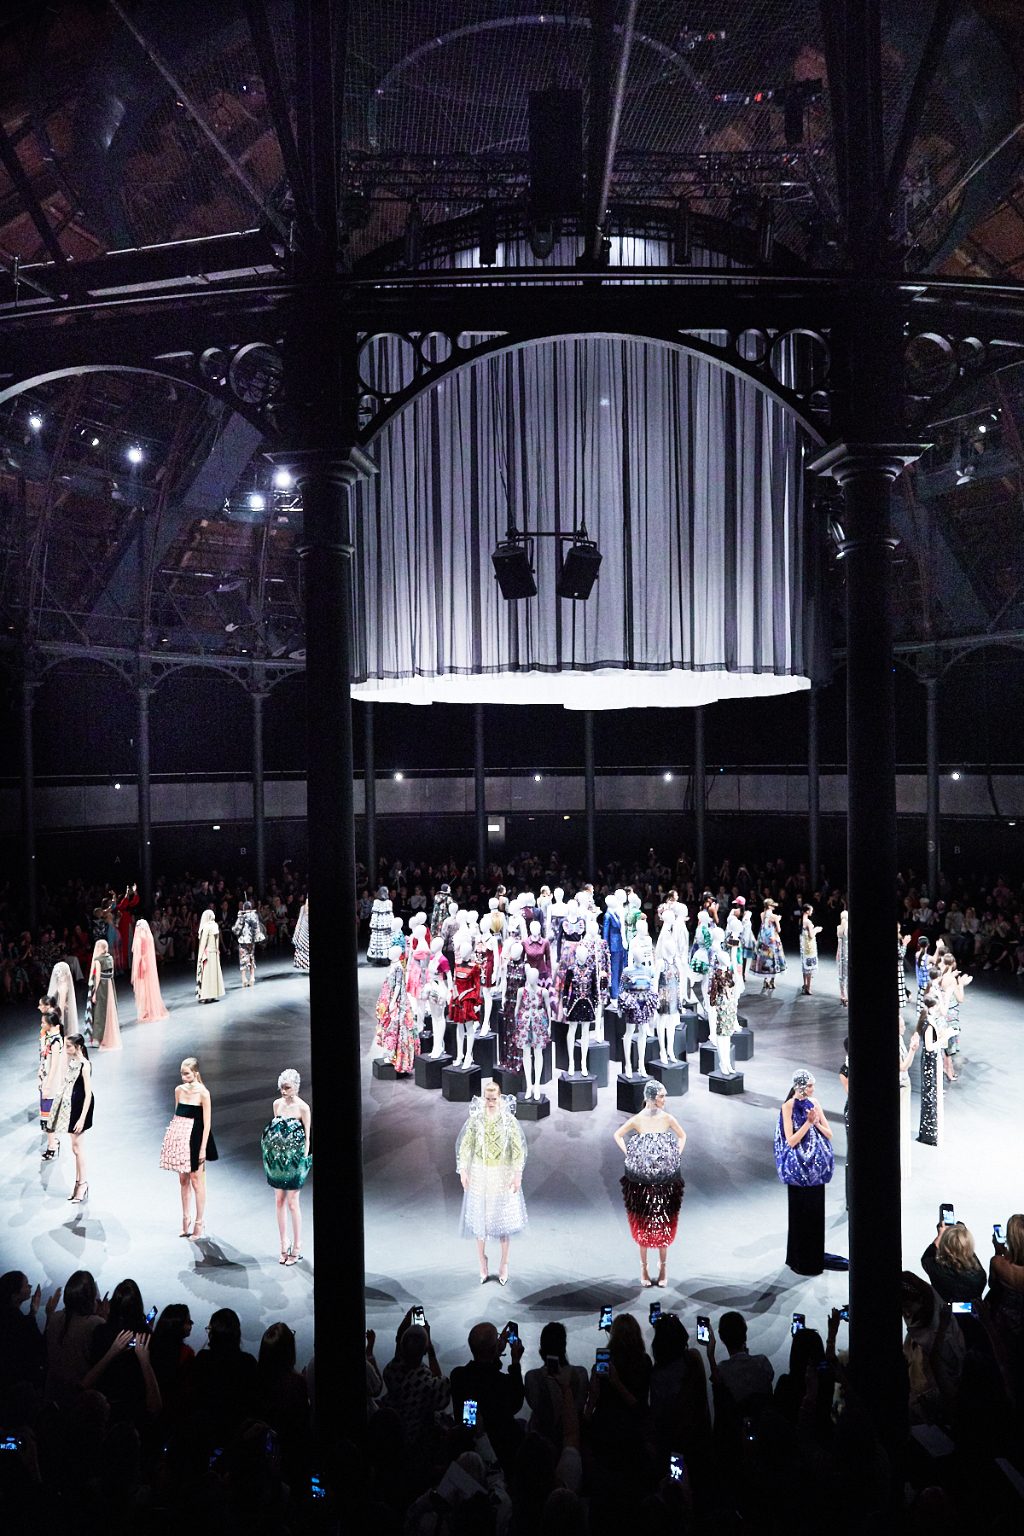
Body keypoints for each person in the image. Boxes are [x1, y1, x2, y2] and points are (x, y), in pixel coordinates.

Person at [614, 1079, 686, 1288]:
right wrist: (630, 1154)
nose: (665, 1099)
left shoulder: (667, 1118)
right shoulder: (637, 1119)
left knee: (664, 1220)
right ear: (652, 1098)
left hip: (666, 1178)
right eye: (662, 1096)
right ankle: (644, 1268)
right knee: (643, 1221)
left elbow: (682, 1136)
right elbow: (618, 1135)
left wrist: (675, 1155)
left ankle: (663, 1267)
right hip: (641, 1180)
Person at [456, 1079, 527, 1285]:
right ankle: (482, 1261)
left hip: (502, 1173)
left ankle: (504, 1263)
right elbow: (466, 1145)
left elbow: (517, 1148)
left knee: (503, 1221)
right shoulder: (476, 1119)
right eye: (487, 1099)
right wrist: (463, 1170)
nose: (490, 1102)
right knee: (481, 1221)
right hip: (480, 1172)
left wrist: (517, 1174)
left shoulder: (508, 1120)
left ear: (499, 1098)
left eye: (494, 1099)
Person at [774, 1067, 835, 1276]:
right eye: (809, 1086)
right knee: (800, 1215)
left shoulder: (815, 1103)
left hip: (816, 1171)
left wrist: (816, 1123)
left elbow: (829, 1134)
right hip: (798, 1171)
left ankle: (814, 1258)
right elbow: (791, 1141)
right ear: (799, 1087)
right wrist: (808, 1124)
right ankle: (799, 1259)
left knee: (815, 1216)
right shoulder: (788, 1107)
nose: (813, 1089)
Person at [449, 1321, 525, 1474]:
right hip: (499, 1451)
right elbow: (516, 1403)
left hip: (468, 1446)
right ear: (494, 1348)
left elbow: (483, 1375)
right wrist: (515, 1361)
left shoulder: (458, 1376)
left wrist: (495, 1352)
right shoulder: (503, 1383)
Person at [159, 1056, 218, 1239]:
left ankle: (199, 1223)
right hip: (181, 1138)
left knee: (196, 1181)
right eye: (182, 1074)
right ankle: (186, 1220)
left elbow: (207, 1123)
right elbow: (177, 1117)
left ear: (195, 1073)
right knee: (183, 1180)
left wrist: (203, 1149)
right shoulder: (179, 1090)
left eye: (187, 1074)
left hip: (197, 1138)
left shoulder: (203, 1093)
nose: (184, 1077)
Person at [260, 1068, 312, 1266]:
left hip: (295, 1160)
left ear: (295, 1087)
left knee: (292, 1202)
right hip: (277, 1159)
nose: (283, 1091)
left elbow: (308, 1137)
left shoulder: (303, 1108)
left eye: (287, 1087)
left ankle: (297, 1247)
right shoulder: (277, 1104)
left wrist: (303, 1160)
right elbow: (276, 1129)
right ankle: (283, 1243)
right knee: (279, 1200)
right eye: (281, 1087)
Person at [382, 1315, 451, 1460]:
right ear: (425, 1350)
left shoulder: (390, 1371)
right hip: (417, 1440)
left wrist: (405, 1321)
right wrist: (430, 1348)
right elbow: (439, 1386)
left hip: (393, 1436)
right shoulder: (426, 1385)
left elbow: (400, 1354)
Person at [44, 1269, 105, 1408]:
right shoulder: (95, 1323)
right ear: (91, 1297)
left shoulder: (54, 1317)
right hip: (80, 1401)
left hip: (52, 1396)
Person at [524, 1321, 588, 1451]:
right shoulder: (581, 1374)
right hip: (574, 1442)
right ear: (564, 1346)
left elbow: (535, 1407)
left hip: (541, 1446)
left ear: (541, 1348)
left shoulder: (532, 1377)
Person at [45, 1034, 93, 1203]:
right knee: (74, 1148)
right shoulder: (73, 1062)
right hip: (72, 1107)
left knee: (78, 1149)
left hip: (80, 1108)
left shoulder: (85, 1065)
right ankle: (78, 1183)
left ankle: (83, 1184)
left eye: (68, 1046)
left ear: (77, 1047)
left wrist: (82, 1118)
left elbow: (88, 1094)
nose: (66, 1049)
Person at [920, 1220, 986, 1304]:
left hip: (945, 1310)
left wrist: (940, 1235)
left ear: (945, 1246)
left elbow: (926, 1258)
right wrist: (963, 1236)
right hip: (972, 1311)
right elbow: (968, 1252)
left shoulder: (940, 1271)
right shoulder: (980, 1275)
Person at [38, 1006, 65, 1160]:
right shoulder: (49, 1038)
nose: (42, 1025)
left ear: (50, 1024)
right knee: (47, 1115)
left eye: (43, 1023)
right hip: (46, 1080)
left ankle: (52, 1146)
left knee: (48, 1116)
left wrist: (47, 1085)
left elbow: (54, 1067)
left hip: (51, 1083)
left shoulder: (56, 1041)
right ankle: (53, 1142)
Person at [83, 938, 120, 1049]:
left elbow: (98, 977)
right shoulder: (110, 957)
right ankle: (108, 1033)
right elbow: (111, 973)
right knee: (108, 1009)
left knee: (99, 1011)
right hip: (109, 985)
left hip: (101, 987)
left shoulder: (98, 960)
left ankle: (98, 1038)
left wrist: (94, 992)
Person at [130, 918, 168, 1022]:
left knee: (143, 988)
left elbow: (138, 956)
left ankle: (145, 1010)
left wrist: (135, 969)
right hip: (149, 965)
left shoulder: (139, 939)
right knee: (150, 986)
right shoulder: (149, 936)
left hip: (142, 965)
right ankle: (151, 1008)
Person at [752, 898, 785, 991]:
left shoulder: (762, 914)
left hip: (763, 940)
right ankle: (772, 981)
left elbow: (765, 925)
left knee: (765, 959)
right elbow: (778, 930)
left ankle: (766, 980)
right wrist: (778, 920)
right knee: (774, 959)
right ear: (770, 906)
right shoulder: (774, 916)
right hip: (772, 940)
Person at [232, 899, 265, 987]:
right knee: (251, 957)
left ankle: (244, 979)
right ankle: (252, 977)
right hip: (252, 940)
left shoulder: (242, 916)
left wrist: (234, 929)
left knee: (243, 958)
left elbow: (237, 929)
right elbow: (257, 928)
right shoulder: (255, 915)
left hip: (243, 940)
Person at [196, 908, 225, 1001]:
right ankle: (213, 994)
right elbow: (217, 941)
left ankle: (206, 996)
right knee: (214, 974)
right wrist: (217, 951)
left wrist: (200, 956)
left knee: (207, 975)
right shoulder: (215, 925)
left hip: (207, 953)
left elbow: (203, 942)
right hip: (214, 953)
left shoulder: (206, 927)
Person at [47, 958, 78, 1033]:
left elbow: (62, 1003)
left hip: (63, 1012)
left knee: (64, 1032)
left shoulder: (63, 986)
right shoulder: (64, 984)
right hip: (65, 1010)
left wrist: (59, 1017)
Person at [799, 904, 822, 994]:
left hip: (803, 945)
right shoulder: (808, 922)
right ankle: (808, 988)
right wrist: (817, 929)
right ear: (807, 911)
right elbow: (811, 935)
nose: (812, 912)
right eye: (811, 910)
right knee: (809, 968)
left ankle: (805, 985)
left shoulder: (801, 920)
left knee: (805, 967)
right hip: (809, 946)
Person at [292, 897, 309, 972]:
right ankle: (301, 963)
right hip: (303, 927)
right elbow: (299, 919)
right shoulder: (302, 908)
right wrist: (297, 930)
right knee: (302, 946)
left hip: (307, 927)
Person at [836, 908, 849, 1006]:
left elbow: (839, 942)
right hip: (846, 952)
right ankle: (847, 996)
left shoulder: (839, 927)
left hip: (841, 952)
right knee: (847, 974)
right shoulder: (847, 927)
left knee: (841, 974)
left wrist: (837, 953)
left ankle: (842, 995)